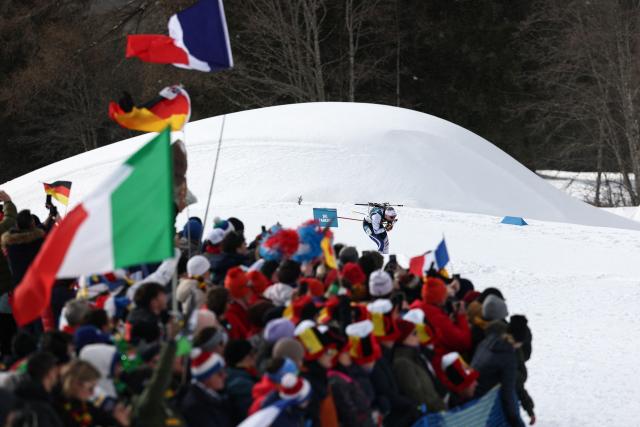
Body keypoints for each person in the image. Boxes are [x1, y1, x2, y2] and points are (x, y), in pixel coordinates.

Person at [179, 349, 232, 427]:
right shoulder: (195, 407)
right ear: (206, 378)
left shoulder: (214, 394)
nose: (225, 376)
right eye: (220, 373)